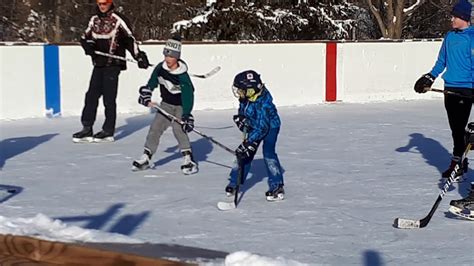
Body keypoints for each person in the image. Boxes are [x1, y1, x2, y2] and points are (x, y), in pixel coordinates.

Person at [72, 0, 150, 143]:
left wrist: (139, 56)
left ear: (110, 3)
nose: (102, 6)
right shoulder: (94, 19)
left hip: (113, 64)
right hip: (99, 64)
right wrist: (88, 46)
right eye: (99, 3)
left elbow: (129, 40)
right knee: (91, 96)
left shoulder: (118, 19)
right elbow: (85, 38)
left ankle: (108, 130)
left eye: (105, 3)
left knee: (109, 98)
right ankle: (87, 128)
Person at [414, 0, 474, 178]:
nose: (451, 20)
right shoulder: (449, 37)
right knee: (456, 128)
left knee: (460, 127)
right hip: (450, 88)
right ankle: (460, 160)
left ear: (463, 17)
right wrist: (430, 77)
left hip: (467, 89)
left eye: (454, 16)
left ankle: (458, 161)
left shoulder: (472, 38)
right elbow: (442, 61)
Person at [132, 36, 198, 175]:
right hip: (166, 105)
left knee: (178, 128)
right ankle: (147, 157)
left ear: (177, 57)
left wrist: (186, 115)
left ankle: (188, 158)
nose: (168, 58)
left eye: (172, 56)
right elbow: (152, 81)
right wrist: (147, 92)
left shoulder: (182, 76)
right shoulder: (160, 68)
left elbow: (188, 97)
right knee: (155, 127)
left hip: (180, 106)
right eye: (166, 54)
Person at [225, 70, 285, 201]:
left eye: (241, 90)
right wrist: (241, 119)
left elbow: (262, 127)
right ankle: (235, 181)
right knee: (244, 155)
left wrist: (249, 143)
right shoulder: (246, 98)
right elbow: (243, 109)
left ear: (250, 90)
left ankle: (277, 185)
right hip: (254, 125)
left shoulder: (264, 104)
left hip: (270, 127)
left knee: (268, 153)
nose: (239, 93)